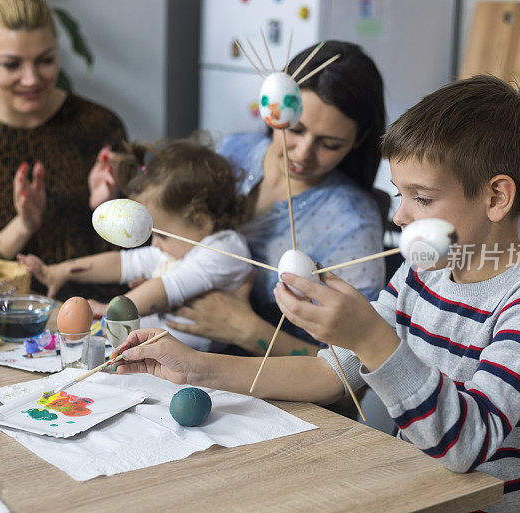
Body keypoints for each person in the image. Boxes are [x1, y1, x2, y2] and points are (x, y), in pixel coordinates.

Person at [109, 75, 520, 513]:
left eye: (422, 197)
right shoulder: (424, 274)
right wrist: (197, 367)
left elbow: (467, 444)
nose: (399, 217)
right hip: (415, 489)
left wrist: (373, 339)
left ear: (496, 197)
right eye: (398, 195)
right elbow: (330, 373)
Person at [158, 41, 388, 358]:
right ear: (273, 107)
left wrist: (246, 330)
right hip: (172, 349)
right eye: (294, 129)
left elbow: (357, 369)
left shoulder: (352, 222)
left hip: (270, 393)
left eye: (330, 144)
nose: (303, 153)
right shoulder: (232, 150)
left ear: (358, 140)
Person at [0, 0, 126, 300]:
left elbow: (141, 257)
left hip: (95, 310)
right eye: (12, 64)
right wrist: (23, 226)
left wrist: (108, 208)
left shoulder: (99, 126)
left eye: (45, 60)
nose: (31, 79)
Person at [19, 140, 252, 352]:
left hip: (192, 363)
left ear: (200, 221)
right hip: (152, 347)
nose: (156, 244)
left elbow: (165, 288)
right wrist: (60, 271)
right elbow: (123, 262)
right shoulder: (177, 245)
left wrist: (111, 309)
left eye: (162, 236)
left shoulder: (226, 250)